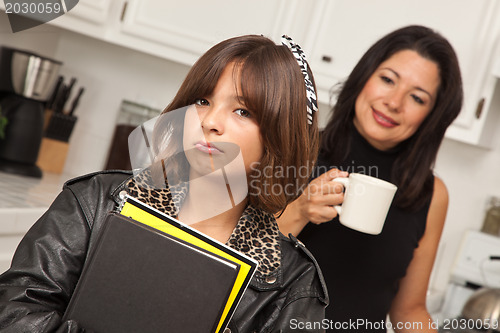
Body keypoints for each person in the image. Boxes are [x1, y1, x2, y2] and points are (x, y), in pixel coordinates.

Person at [0, 35, 327, 332]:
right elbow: (13, 310)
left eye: (242, 111)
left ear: (278, 137)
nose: (210, 122)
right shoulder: (94, 202)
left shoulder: (293, 284)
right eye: (202, 100)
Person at [277, 25, 463, 332]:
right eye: (387, 80)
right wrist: (298, 212)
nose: (394, 102)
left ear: (432, 117)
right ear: (364, 77)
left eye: (417, 98)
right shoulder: (295, 149)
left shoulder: (430, 195)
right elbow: (241, 260)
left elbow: (409, 310)